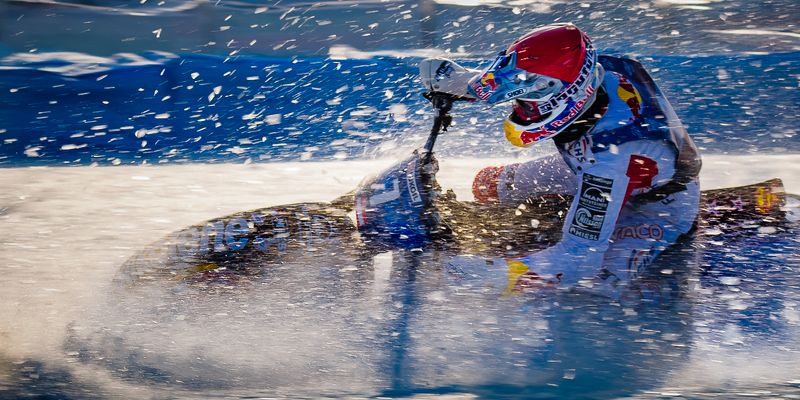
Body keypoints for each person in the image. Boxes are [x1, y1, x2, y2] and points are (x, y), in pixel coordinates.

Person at [418, 23, 702, 296]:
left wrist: (495, 276)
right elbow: (520, 78)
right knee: (490, 183)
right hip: (592, 166)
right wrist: (460, 82)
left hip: (656, 209)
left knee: (592, 289)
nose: (521, 106)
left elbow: (579, 260)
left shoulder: (609, 163)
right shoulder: (595, 70)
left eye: (530, 98)